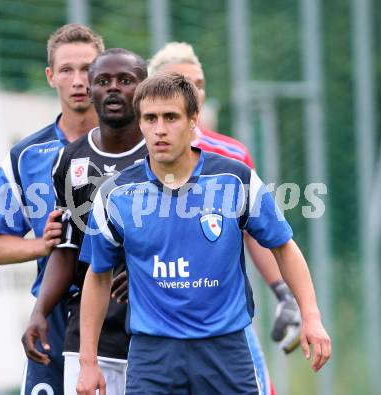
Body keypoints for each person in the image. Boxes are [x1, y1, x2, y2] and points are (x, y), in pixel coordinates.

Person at [76, 73, 331, 395]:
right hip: (152, 356)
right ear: (139, 124)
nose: (160, 129)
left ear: (193, 120)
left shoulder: (234, 179)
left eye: (171, 117)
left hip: (225, 350)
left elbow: (283, 247)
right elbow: (98, 275)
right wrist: (88, 362)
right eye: (150, 118)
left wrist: (311, 317)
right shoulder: (116, 193)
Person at [146, 41, 299, 394]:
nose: (193, 92)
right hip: (156, 324)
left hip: (224, 316)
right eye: (181, 83)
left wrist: (283, 293)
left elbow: (257, 232)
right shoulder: (141, 157)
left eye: (198, 83)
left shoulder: (231, 154)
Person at [0, 24, 104, 394]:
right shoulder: (25, 157)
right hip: (55, 312)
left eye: (88, 69)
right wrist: (43, 243)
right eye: (67, 70)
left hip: (123, 310)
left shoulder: (133, 147)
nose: (78, 80)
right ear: (51, 77)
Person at [21, 48, 148, 394]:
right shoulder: (71, 159)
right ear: (90, 90)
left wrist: (142, 269)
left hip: (156, 330)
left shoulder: (162, 153)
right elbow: (66, 250)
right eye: (103, 81)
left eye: (125, 81)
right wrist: (40, 312)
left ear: (144, 88)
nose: (113, 89)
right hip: (91, 333)